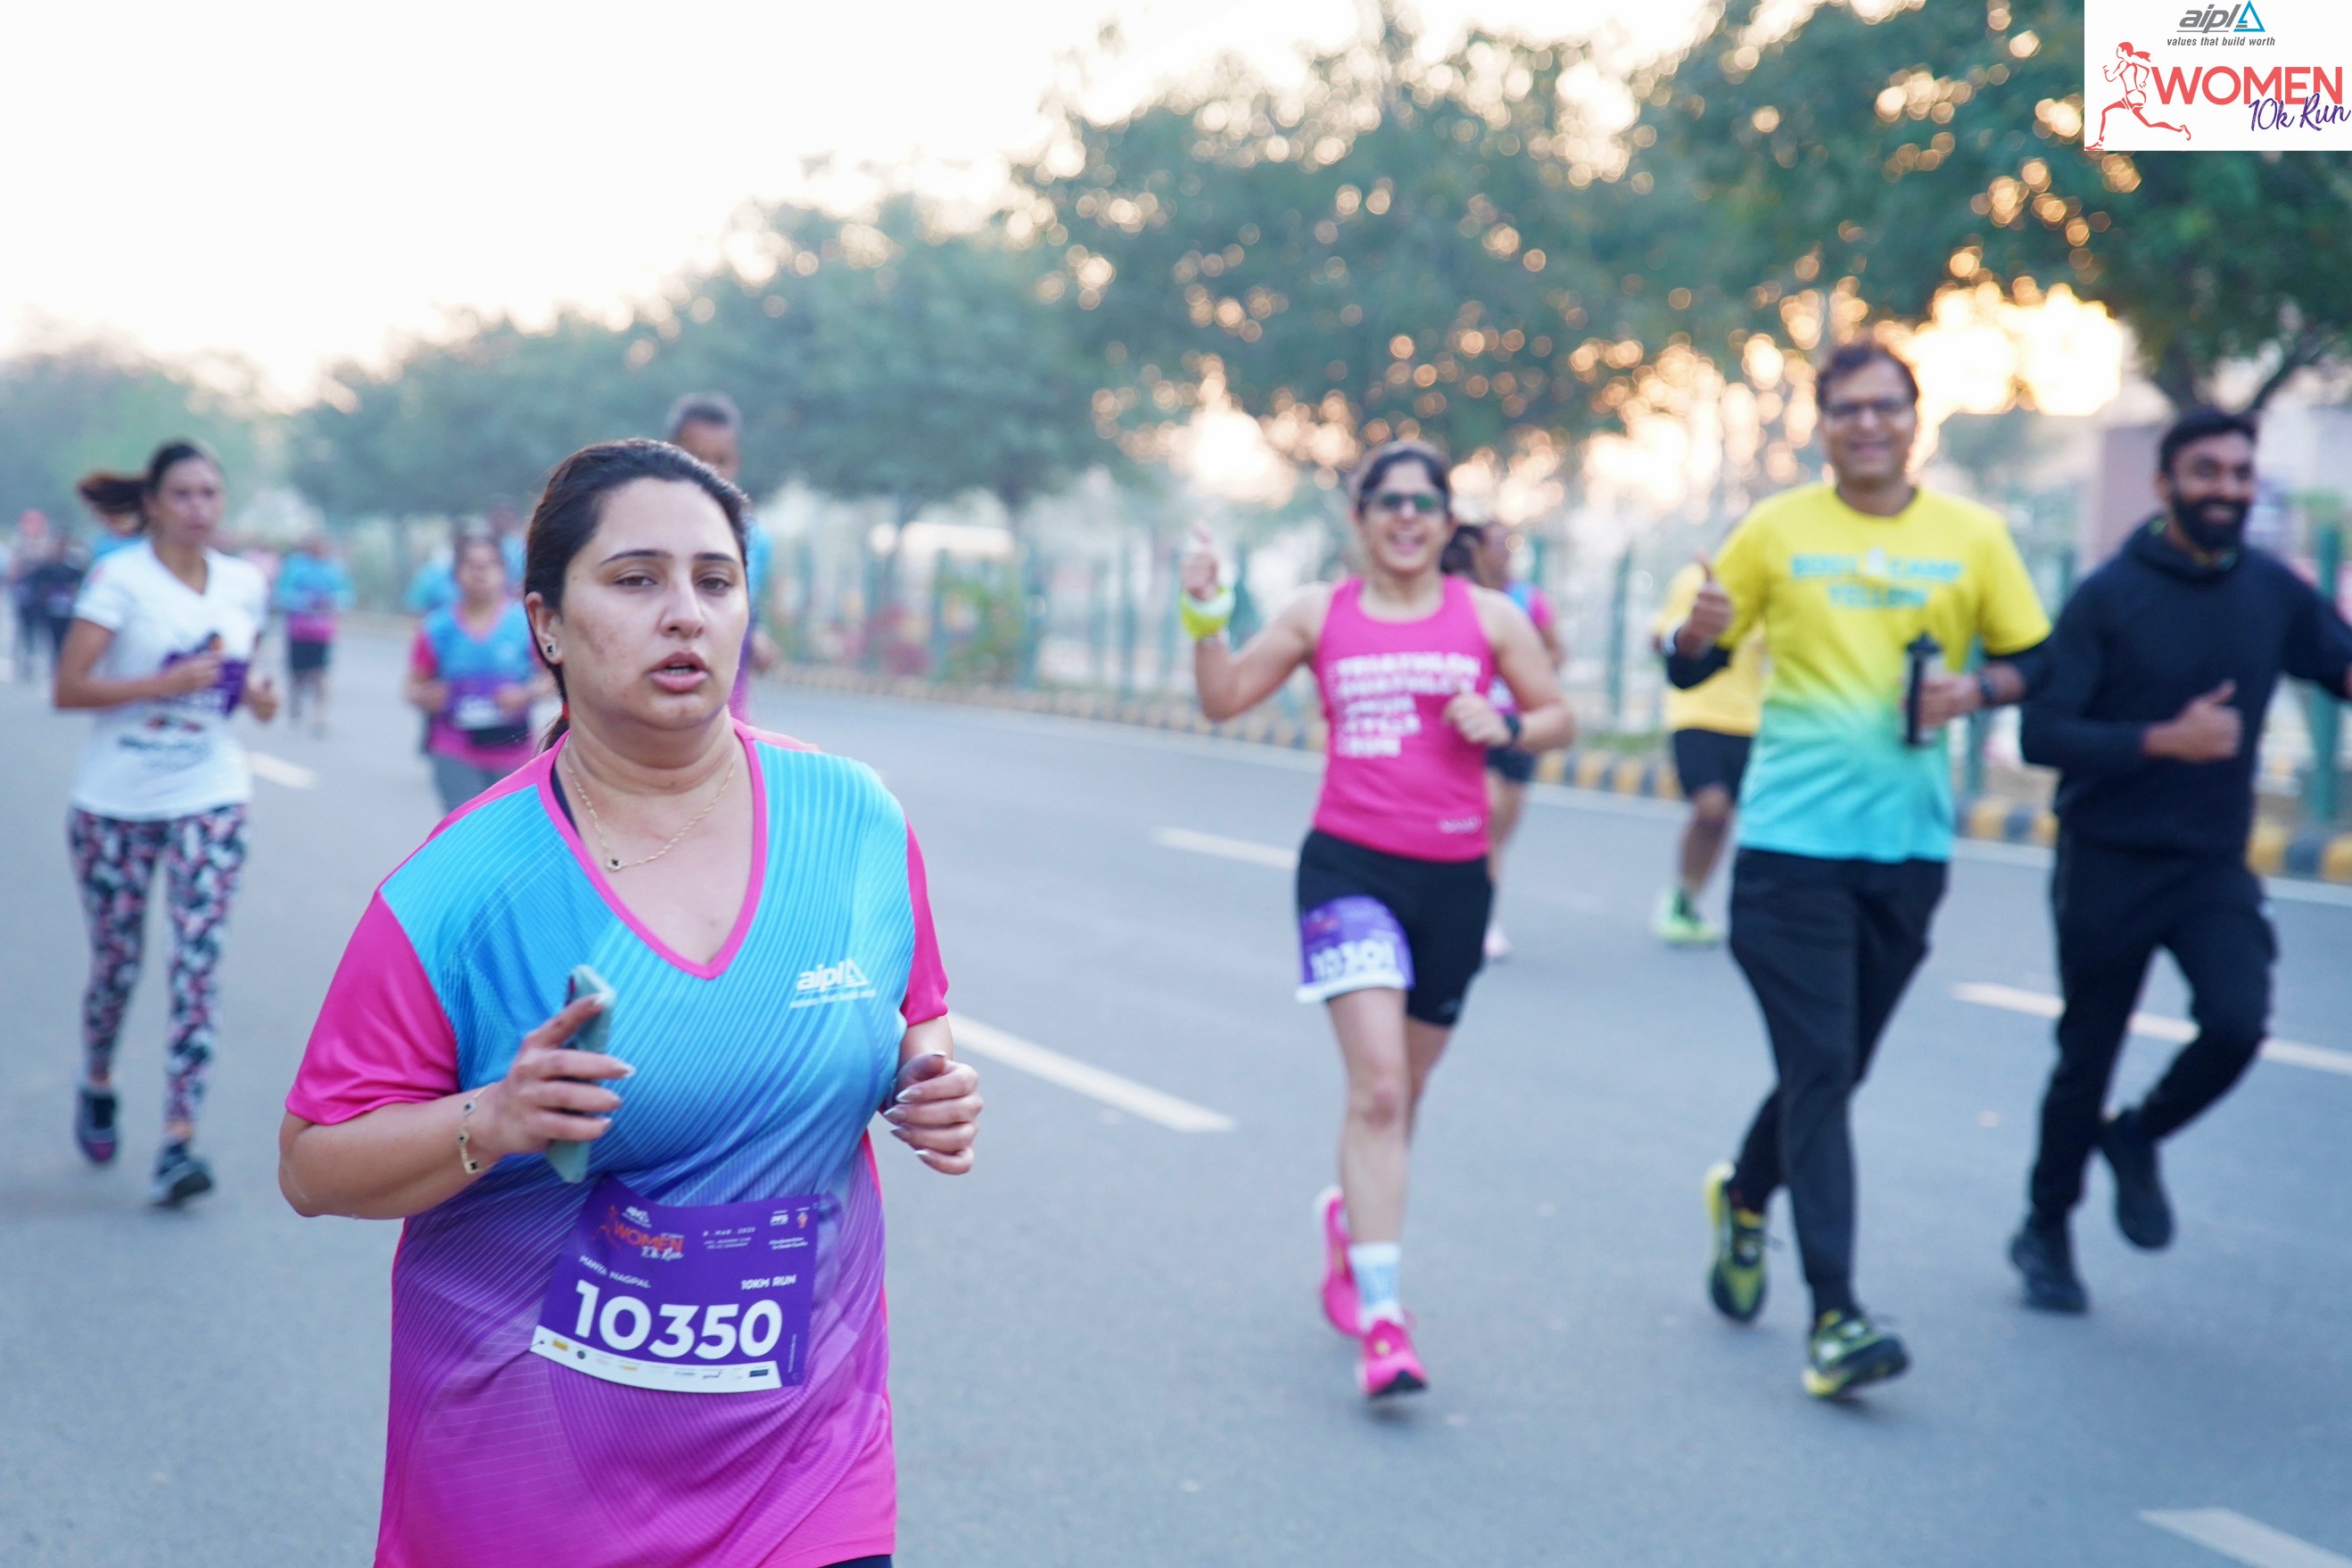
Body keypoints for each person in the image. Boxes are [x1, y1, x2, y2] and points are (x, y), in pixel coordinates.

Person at [278, 439, 981, 1568]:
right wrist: (494, 1119)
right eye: (636, 579)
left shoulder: (853, 821)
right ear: (548, 624)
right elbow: (313, 1165)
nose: (685, 613)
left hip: (808, 1471)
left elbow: (918, 1011)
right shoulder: (458, 890)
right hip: (531, 1485)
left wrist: (927, 1077)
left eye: (715, 580)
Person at [1667, 343, 2052, 1398]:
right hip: (1790, 850)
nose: (1868, 424)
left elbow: (2040, 658)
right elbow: (1694, 663)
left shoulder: (1972, 537)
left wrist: (1979, 691)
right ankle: (1835, 1316)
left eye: (1886, 406)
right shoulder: (1776, 530)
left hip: (1909, 852)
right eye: (1846, 409)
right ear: (1823, 426)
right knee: (1824, 1066)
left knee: (1830, 1073)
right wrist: (1694, 636)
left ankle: (1747, 1195)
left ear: (1915, 418)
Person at [1183, 440, 1572, 1399]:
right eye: (1388, 502)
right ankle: (1385, 1321)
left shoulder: (1488, 616)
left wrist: (1507, 727)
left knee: (1407, 1092)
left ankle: (1351, 1224)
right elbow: (1222, 699)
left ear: (1446, 521)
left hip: (1455, 882)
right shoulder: (1320, 612)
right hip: (1348, 870)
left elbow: (1559, 715)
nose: (1406, 517)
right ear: (1359, 520)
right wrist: (1204, 614)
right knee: (1382, 1091)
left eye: (1423, 503)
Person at [2008, 408, 2352, 1313]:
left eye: (2240, 473)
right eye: (2207, 472)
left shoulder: (2272, 590)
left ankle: (2138, 1135)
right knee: (2086, 1057)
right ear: (2165, 485)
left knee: (2237, 1023)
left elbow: (2338, 664)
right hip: (2107, 860)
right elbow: (2042, 733)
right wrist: (2164, 740)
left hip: (2209, 867)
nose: (2227, 490)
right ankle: (2044, 1227)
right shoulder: (2108, 596)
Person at [52, 441, 279, 1205]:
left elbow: (236, 684)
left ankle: (178, 1141)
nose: (198, 508)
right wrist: (163, 682)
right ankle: (98, 1076)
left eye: (210, 493)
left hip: (210, 792)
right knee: (118, 966)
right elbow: (69, 688)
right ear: (152, 504)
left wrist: (259, 698)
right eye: (182, 494)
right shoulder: (120, 580)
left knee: (196, 966)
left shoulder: (244, 583)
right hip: (115, 803)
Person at [1648, 557, 1766, 945]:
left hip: (1753, 720)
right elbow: (1662, 638)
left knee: (1731, 818)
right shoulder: (1695, 581)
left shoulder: (1774, 584)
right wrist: (1695, 631)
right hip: (1695, 712)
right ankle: (1680, 899)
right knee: (1711, 808)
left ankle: (1694, 899)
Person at [1465, 521, 1564, 961]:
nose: (1503, 551)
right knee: (1486, 819)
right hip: (1476, 727)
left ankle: (1480, 904)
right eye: (1494, 543)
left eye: (1510, 543)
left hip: (1521, 727)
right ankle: (1482, 918)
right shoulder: (1463, 598)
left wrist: (1524, 665)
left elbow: (1558, 651)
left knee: (1500, 832)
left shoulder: (1528, 599)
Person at [405, 533, 550, 813]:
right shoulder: (437, 628)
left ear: (504, 571)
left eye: (489, 565)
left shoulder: (526, 625)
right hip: (454, 749)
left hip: (513, 750)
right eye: (471, 565)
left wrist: (525, 694)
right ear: (456, 574)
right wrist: (426, 696)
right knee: (465, 829)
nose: (480, 573)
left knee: (509, 830)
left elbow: (552, 679)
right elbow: (412, 686)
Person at [665, 392, 779, 718]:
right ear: (668, 453)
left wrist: (758, 637)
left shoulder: (754, 539)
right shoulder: (645, 527)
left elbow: (746, 607)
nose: (709, 470)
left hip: (726, 690)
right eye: (696, 457)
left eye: (721, 459)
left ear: (736, 462)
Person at [275, 530, 355, 736]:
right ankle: (295, 705)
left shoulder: (334, 569)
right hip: (299, 630)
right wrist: (305, 601)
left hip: (322, 631)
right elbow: (281, 594)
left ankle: (319, 714)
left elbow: (346, 595)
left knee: (320, 673)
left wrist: (331, 602)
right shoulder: (294, 567)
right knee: (298, 673)